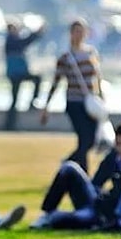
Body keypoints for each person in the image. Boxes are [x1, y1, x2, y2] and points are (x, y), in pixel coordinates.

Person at [29, 123, 121, 230]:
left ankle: (54, 218)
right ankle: (47, 213)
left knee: (64, 219)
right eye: (119, 144)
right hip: (98, 204)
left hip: (108, 214)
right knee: (69, 168)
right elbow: (96, 182)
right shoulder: (113, 157)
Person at [41, 18, 102, 173]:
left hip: (91, 103)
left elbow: (97, 78)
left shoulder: (91, 53)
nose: (79, 35)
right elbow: (56, 82)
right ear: (71, 34)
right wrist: (46, 106)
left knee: (91, 141)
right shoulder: (65, 58)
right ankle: (83, 174)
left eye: (82, 31)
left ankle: (68, 164)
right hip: (74, 102)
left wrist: (101, 97)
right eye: (76, 31)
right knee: (84, 139)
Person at [4, 20, 44, 130]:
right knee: (15, 99)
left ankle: (10, 124)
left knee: (15, 99)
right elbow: (24, 42)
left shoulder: (11, 40)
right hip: (16, 74)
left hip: (18, 73)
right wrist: (36, 34)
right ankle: (9, 125)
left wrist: (36, 34)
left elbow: (25, 42)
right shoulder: (11, 40)